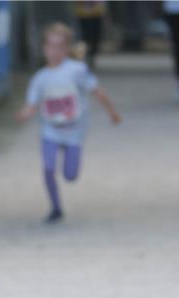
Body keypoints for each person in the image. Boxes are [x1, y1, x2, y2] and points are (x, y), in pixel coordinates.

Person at [16, 22, 121, 224]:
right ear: (44, 48)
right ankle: (55, 208)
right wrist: (24, 114)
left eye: (60, 47)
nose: (55, 52)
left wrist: (112, 112)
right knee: (48, 168)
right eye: (51, 46)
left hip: (74, 130)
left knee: (70, 175)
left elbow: (96, 91)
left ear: (67, 49)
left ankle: (68, 170)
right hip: (50, 129)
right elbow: (32, 104)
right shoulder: (40, 78)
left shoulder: (77, 70)